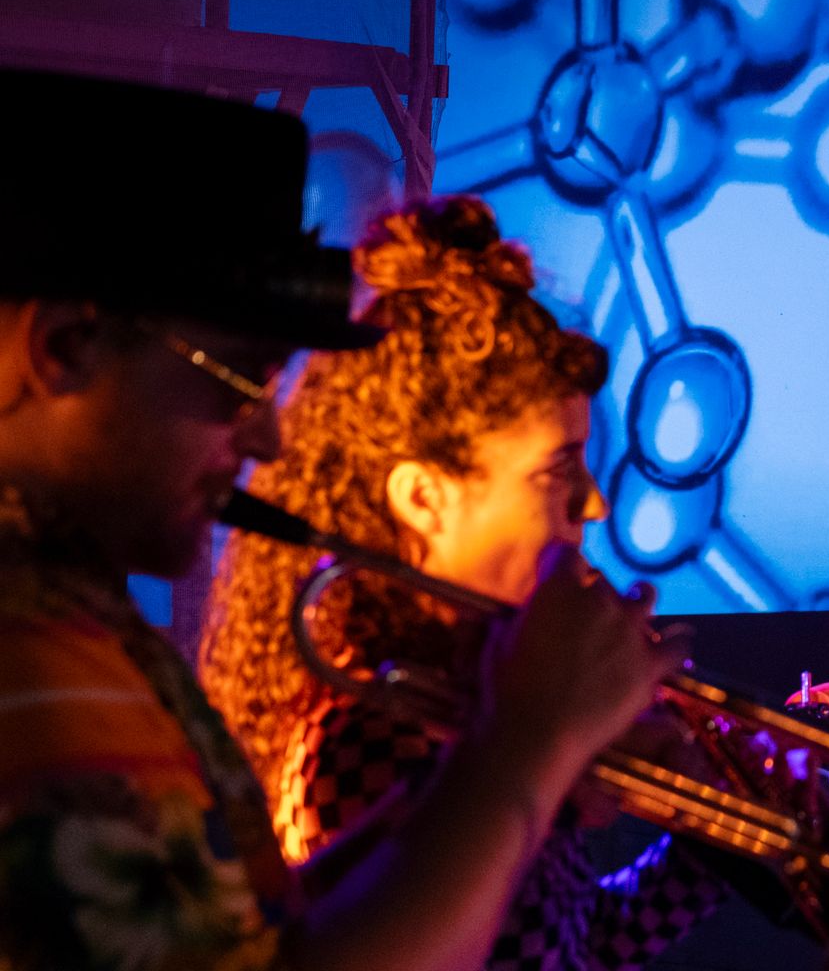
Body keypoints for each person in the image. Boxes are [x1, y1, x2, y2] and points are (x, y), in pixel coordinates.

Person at [0, 70, 682, 971]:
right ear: (65, 350)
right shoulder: (23, 650)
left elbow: (261, 947)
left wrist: (523, 769)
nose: (268, 436)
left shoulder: (79, 622)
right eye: (239, 378)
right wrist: (524, 751)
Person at [198, 194, 724, 969]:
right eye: (556, 470)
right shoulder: (366, 733)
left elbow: (577, 940)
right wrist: (546, 763)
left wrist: (712, 842)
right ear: (424, 498)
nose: (595, 503)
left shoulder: (476, 703)